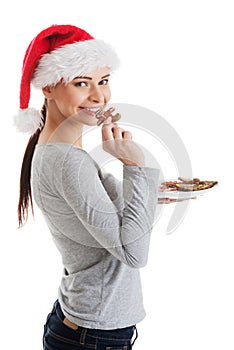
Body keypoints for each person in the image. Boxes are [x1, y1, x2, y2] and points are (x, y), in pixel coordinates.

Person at [14, 24, 160, 350]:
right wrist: (137, 166)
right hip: (93, 335)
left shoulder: (63, 152)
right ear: (48, 89)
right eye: (82, 83)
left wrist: (147, 184)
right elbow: (133, 252)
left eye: (103, 81)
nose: (99, 96)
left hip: (87, 326)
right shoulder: (69, 163)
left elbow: (120, 218)